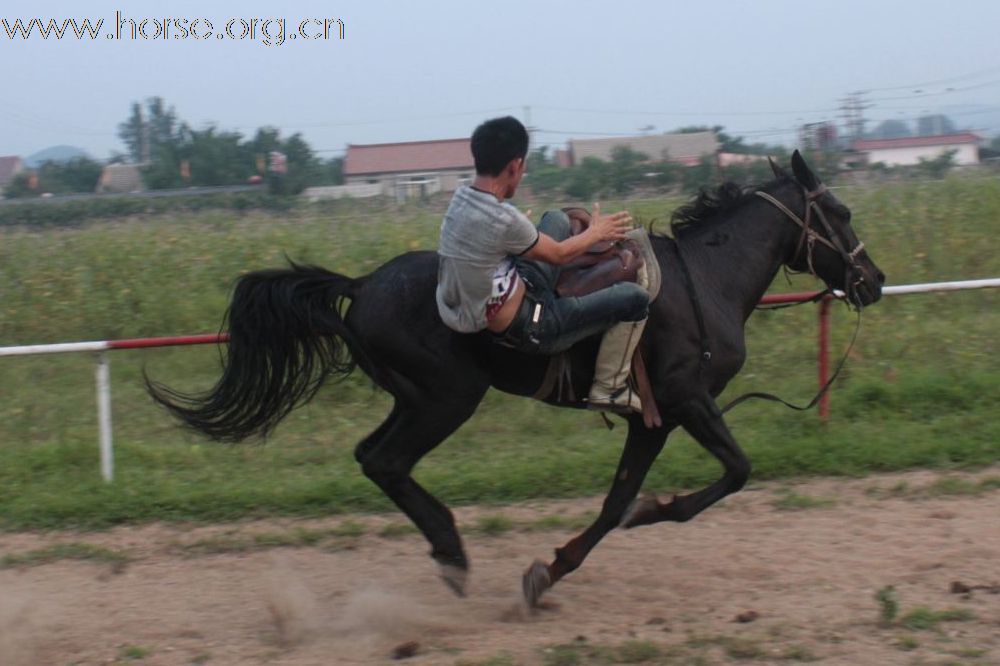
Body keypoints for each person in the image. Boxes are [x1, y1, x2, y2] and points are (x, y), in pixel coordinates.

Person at [436, 116, 650, 413]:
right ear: (515, 166)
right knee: (636, 299)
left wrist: (519, 232)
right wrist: (595, 234)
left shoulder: (461, 199)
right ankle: (610, 387)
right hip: (530, 323)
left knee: (557, 218)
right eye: (522, 169)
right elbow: (560, 255)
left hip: (519, 284)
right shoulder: (503, 219)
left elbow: (488, 239)